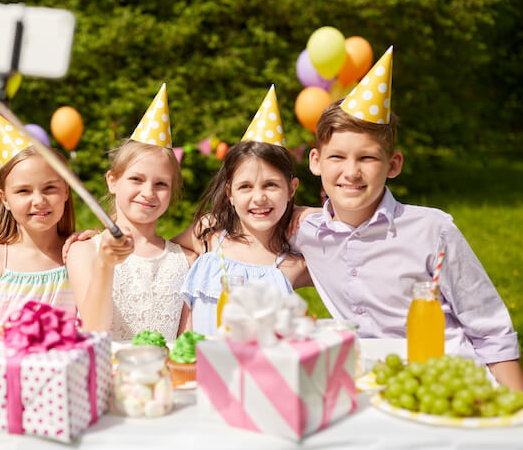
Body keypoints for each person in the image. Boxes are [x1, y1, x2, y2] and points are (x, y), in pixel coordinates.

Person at [292, 47, 523, 389]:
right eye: (337, 156)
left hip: (449, 377)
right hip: (373, 385)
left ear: (394, 164)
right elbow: (229, 228)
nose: (351, 172)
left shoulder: (433, 230)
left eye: (367, 158)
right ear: (315, 161)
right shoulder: (304, 230)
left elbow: (490, 329)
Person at [174, 86, 311, 336]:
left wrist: (313, 214)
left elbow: (352, 255)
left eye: (271, 185)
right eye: (245, 186)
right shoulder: (210, 234)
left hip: (262, 371)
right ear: (230, 194)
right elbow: (159, 252)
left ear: (292, 189)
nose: (259, 198)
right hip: (200, 370)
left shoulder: (295, 263)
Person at [67, 84, 194, 340]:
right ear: (112, 181)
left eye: (161, 184)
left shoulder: (187, 261)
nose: (148, 192)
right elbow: (93, 329)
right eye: (136, 179)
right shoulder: (84, 251)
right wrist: (105, 264)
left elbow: (186, 343)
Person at [0, 107, 77, 325]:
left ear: (66, 190)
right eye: (23, 191)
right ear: (5, 199)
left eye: (49, 188)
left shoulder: (77, 253)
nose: (38, 200)